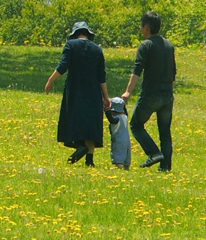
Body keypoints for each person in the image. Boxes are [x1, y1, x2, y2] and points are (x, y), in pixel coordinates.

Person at [44, 21, 111, 167]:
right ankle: (89, 161)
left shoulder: (71, 45)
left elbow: (63, 66)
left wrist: (50, 80)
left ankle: (80, 146)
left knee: (75, 120)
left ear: (75, 34)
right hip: (93, 91)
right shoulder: (97, 50)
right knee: (91, 124)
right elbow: (101, 76)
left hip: (75, 90)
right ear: (88, 34)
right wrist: (106, 97)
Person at [120, 10, 177, 172]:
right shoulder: (169, 45)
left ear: (146, 27)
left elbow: (137, 70)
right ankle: (165, 167)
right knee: (165, 133)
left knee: (136, 125)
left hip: (151, 94)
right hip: (167, 94)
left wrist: (127, 92)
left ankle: (153, 153)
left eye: (141, 26)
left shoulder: (145, 45)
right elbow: (173, 73)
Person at [106, 96, 131, 169]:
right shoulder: (124, 116)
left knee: (118, 151)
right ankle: (127, 165)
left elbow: (112, 120)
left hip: (118, 139)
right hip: (126, 140)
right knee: (127, 152)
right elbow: (125, 111)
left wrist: (107, 112)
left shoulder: (117, 118)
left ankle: (118, 165)